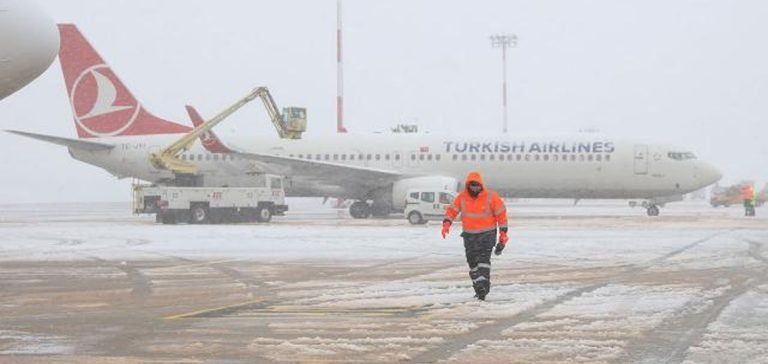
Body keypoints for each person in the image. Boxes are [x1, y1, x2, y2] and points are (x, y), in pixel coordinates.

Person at [441, 171, 508, 301]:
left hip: (487, 235)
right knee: (472, 263)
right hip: (469, 236)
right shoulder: (462, 198)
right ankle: (478, 287)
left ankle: (483, 287)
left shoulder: (491, 197)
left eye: (477, 185)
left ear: (481, 185)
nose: (474, 188)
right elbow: (452, 210)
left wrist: (503, 234)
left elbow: (502, 216)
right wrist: (446, 223)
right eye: (472, 186)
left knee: (483, 262)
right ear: (468, 186)